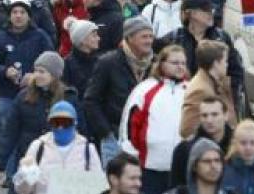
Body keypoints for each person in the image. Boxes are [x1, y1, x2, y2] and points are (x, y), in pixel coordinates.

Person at [0, 0, 56, 174]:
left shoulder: (40, 36)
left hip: (34, 96)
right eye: (14, 12)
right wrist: (5, 71)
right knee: (8, 134)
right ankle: (10, 175)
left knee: (30, 137)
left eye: (22, 12)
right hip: (7, 94)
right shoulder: (0, 37)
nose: (18, 16)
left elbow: (52, 61)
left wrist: (36, 75)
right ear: (9, 15)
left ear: (29, 16)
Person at [119, 44, 190, 194]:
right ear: (162, 64)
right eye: (175, 63)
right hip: (149, 169)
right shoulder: (145, 89)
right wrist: (132, 157)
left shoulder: (191, 91)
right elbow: (130, 125)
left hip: (181, 170)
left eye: (183, 63)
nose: (180, 67)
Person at [86, 16, 157, 163]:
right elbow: (91, 100)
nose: (149, 41)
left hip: (147, 139)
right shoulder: (108, 63)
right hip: (115, 138)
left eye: (151, 36)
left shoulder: (156, 65)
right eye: (144, 36)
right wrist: (106, 132)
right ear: (129, 37)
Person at [3, 51, 72, 184]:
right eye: (36, 71)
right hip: (28, 157)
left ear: (54, 75)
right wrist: (0, 160)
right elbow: (10, 130)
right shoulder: (23, 96)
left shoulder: (68, 97)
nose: (37, 75)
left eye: (42, 72)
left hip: (56, 161)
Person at [13, 101, 103, 194]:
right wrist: (25, 174)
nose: (60, 127)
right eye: (56, 122)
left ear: (75, 123)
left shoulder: (88, 149)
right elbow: (22, 190)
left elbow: (98, 189)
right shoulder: (38, 147)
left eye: (66, 122)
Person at [171, 97, 234, 189]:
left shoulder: (239, 146)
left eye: (214, 114)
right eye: (204, 115)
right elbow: (176, 187)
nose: (209, 120)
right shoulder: (184, 150)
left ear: (226, 115)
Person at [181, 40, 236, 140]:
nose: (227, 65)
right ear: (216, 63)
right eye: (225, 61)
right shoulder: (200, 90)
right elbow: (187, 130)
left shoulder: (215, 83)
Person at [220, 119, 254, 194]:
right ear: (235, 144)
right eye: (243, 143)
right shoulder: (224, 169)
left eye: (253, 143)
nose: (248, 148)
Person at [62, 17, 100, 98]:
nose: (98, 38)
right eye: (94, 36)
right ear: (83, 40)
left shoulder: (99, 61)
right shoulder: (67, 64)